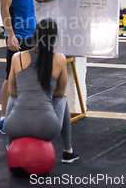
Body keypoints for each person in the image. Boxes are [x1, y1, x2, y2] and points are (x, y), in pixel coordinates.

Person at [0, 0, 77, 134]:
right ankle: (3, 118)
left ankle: (27, 114)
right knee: (11, 78)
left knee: (33, 74)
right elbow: (4, 8)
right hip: (18, 37)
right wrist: (10, 36)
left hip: (33, 37)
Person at [5, 18, 79, 163]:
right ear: (54, 38)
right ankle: (68, 151)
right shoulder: (59, 58)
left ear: (35, 35)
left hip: (14, 127)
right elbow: (59, 92)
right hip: (46, 128)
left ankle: (9, 144)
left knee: (13, 98)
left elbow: (12, 92)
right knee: (62, 98)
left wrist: (29, 92)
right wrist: (42, 93)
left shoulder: (17, 57)